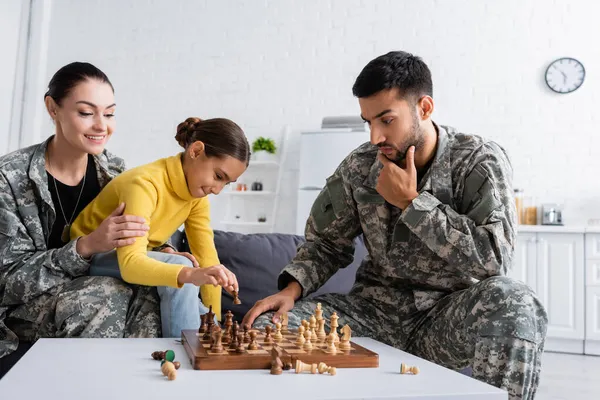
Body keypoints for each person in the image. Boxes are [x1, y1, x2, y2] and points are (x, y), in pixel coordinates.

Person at [243, 51, 547, 400]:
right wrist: (290, 290)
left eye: (386, 120)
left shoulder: (478, 160)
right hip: (372, 314)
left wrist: (413, 204)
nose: (375, 137)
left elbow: (494, 260)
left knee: (517, 302)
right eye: (368, 122)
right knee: (270, 329)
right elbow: (326, 244)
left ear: (425, 108)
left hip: (445, 320)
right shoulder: (360, 167)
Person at [0, 62, 164, 363]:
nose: (102, 125)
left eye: (110, 113)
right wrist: (85, 247)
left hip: (92, 289)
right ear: (53, 108)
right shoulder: (8, 178)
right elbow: (6, 282)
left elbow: (139, 235)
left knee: (150, 290)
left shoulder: (115, 172)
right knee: (103, 294)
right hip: (19, 308)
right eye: (86, 113)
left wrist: (164, 250)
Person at [70, 117, 248, 337]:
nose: (218, 190)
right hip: (88, 258)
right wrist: (190, 273)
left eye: (226, 182)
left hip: (130, 254)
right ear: (196, 151)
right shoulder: (144, 184)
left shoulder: (196, 197)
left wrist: (215, 317)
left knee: (207, 319)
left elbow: (207, 259)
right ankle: (185, 356)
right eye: (218, 176)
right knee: (182, 265)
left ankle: (204, 346)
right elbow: (130, 264)